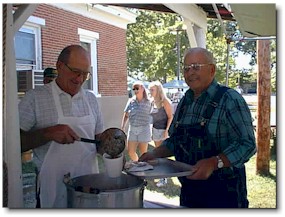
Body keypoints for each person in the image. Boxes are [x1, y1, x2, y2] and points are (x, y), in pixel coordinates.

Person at [139, 47, 256, 208]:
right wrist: (154, 153)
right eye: (187, 68)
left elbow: (247, 144)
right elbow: (175, 141)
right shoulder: (185, 101)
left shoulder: (229, 99)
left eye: (196, 67)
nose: (190, 73)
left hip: (225, 195)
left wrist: (215, 162)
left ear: (212, 69)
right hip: (190, 193)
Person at [19, 44, 104, 208]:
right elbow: (13, 144)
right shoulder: (35, 98)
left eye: (85, 74)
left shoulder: (91, 99)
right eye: (75, 71)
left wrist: (108, 145)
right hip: (52, 188)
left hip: (88, 188)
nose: (79, 79)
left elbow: (98, 140)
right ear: (59, 66)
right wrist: (47, 134)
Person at [148, 81, 173, 187]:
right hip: (155, 130)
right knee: (157, 154)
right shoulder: (152, 102)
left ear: (158, 90)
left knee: (162, 154)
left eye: (152, 90)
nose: (150, 92)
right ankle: (161, 174)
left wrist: (167, 130)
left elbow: (170, 116)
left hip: (163, 130)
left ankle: (164, 178)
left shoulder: (165, 102)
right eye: (150, 90)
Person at [121, 81, 152, 161]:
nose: (135, 90)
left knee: (143, 153)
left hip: (144, 129)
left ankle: (144, 168)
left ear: (142, 88)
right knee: (131, 151)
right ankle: (137, 163)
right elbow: (126, 114)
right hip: (133, 128)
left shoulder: (149, 102)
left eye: (137, 88)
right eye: (134, 89)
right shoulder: (131, 101)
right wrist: (123, 126)